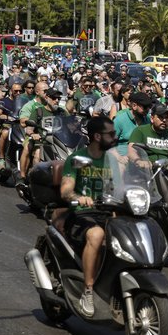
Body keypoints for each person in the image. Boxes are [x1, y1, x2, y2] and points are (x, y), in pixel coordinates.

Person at [55, 116, 117, 317]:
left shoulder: (113, 159)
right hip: (82, 215)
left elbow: (122, 187)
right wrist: (79, 198)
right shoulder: (78, 159)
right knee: (97, 235)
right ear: (98, 136)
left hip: (107, 213)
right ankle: (88, 291)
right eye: (111, 134)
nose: (115, 137)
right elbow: (66, 190)